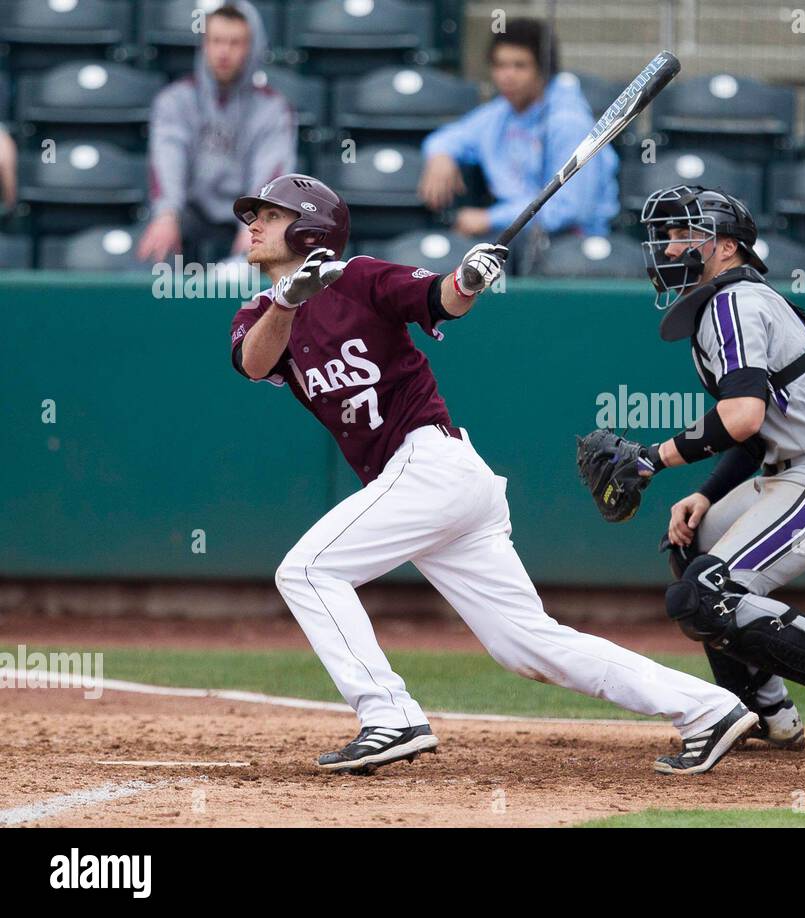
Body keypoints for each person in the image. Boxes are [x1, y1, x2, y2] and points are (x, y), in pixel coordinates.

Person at [227, 172, 757, 776]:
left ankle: (388, 715)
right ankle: (708, 708)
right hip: (427, 486)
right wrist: (289, 300)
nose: (253, 225)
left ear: (308, 227)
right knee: (528, 645)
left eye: (268, 215)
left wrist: (469, 278)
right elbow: (254, 363)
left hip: (429, 464)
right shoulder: (261, 313)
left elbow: (440, 298)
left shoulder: (363, 277)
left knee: (306, 569)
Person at [605, 184, 805, 759]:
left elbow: (741, 418)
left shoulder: (735, 302)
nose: (668, 249)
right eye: (665, 236)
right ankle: (766, 711)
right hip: (790, 469)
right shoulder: (730, 305)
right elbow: (754, 428)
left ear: (724, 246)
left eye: (681, 234)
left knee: (709, 593)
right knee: (692, 557)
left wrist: (651, 459)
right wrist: (705, 493)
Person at [418, 17, 617, 240]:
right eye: (500, 65)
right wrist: (441, 156)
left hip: (571, 243)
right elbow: (450, 137)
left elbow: (570, 209)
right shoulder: (501, 111)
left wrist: (489, 218)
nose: (507, 76)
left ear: (544, 70)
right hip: (516, 235)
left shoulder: (569, 122)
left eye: (519, 66)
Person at [140, 2, 295, 265]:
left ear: (252, 47)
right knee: (154, 247)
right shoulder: (175, 100)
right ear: (205, 45)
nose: (224, 51)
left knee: (273, 251)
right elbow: (168, 161)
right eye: (217, 41)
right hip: (190, 214)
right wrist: (166, 214)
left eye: (235, 43)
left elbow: (271, 171)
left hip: (248, 215)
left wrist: (258, 220)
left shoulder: (273, 109)